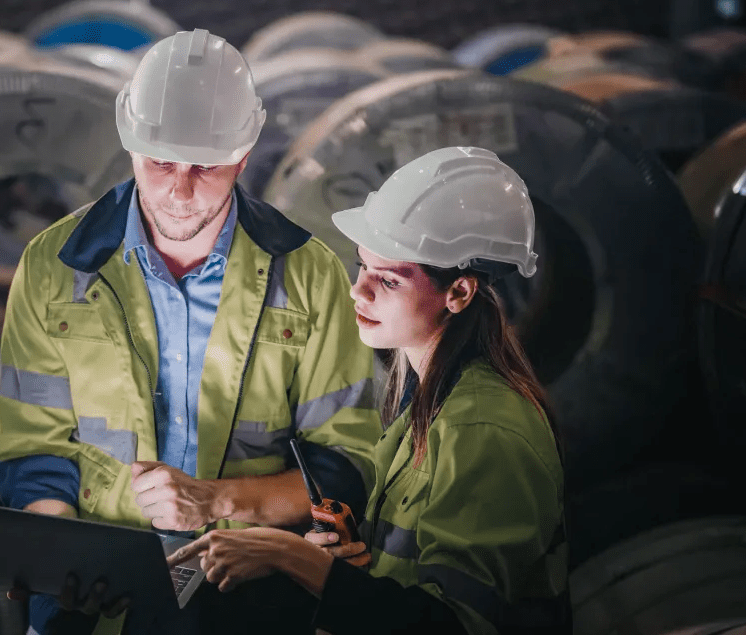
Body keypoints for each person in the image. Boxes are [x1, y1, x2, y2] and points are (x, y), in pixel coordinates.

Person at [0, 28, 383, 635]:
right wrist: (53, 558)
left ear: (243, 156)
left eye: (206, 167)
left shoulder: (306, 274)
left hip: (254, 601)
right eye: (160, 161)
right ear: (129, 143)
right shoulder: (54, 264)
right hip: (93, 604)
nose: (178, 188)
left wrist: (218, 501)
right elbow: (31, 445)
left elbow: (345, 463)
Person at [168, 146, 571, 635]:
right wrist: (356, 564)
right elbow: (413, 578)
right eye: (363, 267)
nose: (359, 291)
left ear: (459, 293)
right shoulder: (428, 402)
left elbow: (454, 623)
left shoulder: (483, 428)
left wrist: (290, 554)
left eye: (389, 280)